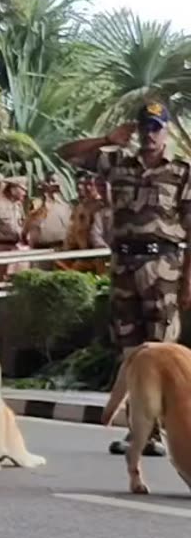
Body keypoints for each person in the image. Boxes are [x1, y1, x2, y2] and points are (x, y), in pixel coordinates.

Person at [58, 101, 191, 457]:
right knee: (132, 353)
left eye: (155, 127)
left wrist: (188, 281)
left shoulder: (181, 172)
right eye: (144, 127)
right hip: (124, 264)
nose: (149, 134)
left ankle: (168, 433)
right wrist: (105, 138)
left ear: (165, 131)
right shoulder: (118, 164)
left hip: (163, 265)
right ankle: (140, 433)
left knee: (162, 352)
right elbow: (65, 153)